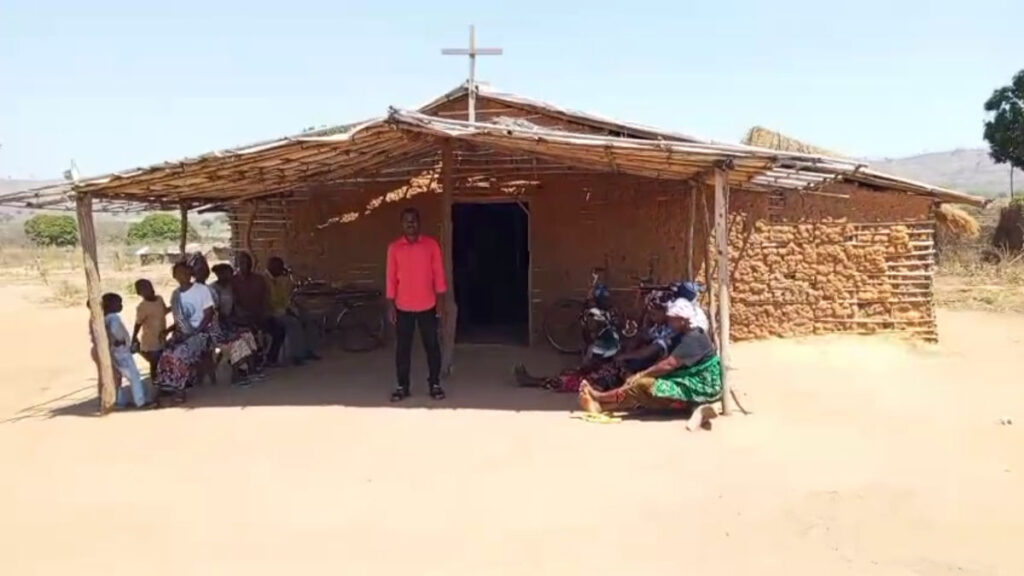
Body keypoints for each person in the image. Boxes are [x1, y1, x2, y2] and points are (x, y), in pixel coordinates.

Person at [578, 298, 721, 432]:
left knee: (643, 384)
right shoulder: (681, 334)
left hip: (703, 386)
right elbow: (664, 359)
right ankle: (601, 405)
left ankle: (599, 397)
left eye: (672, 319)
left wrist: (641, 374)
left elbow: (669, 364)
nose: (669, 322)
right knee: (640, 384)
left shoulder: (694, 338)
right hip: (690, 378)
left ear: (683, 320)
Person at [386, 207, 447, 402]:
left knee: (432, 346)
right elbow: (391, 278)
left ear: (419, 223)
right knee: (403, 349)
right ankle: (402, 386)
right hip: (403, 307)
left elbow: (438, 274)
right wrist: (390, 304)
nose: (410, 224)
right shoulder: (394, 248)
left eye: (413, 220)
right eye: (406, 220)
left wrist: (441, 301)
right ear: (401, 224)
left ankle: (435, 384)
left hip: (427, 305)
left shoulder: (431, 245)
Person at [515, 308, 626, 393]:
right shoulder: (608, 334)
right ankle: (535, 380)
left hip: (602, 378)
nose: (592, 325)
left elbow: (590, 362)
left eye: (593, 322)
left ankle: (531, 381)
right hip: (603, 370)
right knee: (567, 373)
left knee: (564, 380)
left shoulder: (606, 343)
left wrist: (583, 369)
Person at [155, 261, 216, 399]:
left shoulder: (201, 290)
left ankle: (180, 390)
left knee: (178, 355)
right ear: (174, 276)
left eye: (185, 272)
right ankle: (167, 387)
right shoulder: (175, 295)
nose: (183, 275)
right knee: (165, 355)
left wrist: (195, 332)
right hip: (182, 334)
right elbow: (179, 320)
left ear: (191, 273)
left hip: (202, 333)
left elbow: (209, 314)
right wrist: (168, 331)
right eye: (179, 273)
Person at [92, 293, 149, 409]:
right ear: (110, 305)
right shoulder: (114, 318)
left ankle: (119, 401)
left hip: (114, 351)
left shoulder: (105, 318)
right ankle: (140, 401)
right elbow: (114, 329)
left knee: (118, 376)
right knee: (134, 375)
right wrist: (120, 339)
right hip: (121, 350)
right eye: (118, 303)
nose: (121, 305)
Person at [208, 263, 262, 384]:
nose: (229, 276)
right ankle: (236, 376)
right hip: (218, 326)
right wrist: (230, 323)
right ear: (218, 274)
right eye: (225, 273)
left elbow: (235, 306)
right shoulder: (213, 289)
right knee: (237, 340)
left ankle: (250, 370)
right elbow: (216, 313)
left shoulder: (230, 287)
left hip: (229, 323)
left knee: (248, 334)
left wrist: (244, 317)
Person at [231, 252, 285, 364]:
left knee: (279, 331)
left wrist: (264, 312)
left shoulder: (259, 279)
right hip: (241, 317)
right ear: (237, 264)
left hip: (259, 314)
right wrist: (242, 314)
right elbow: (234, 302)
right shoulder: (233, 281)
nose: (245, 266)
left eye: (247, 263)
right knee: (250, 332)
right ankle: (253, 360)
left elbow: (265, 298)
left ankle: (271, 359)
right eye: (242, 263)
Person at [266, 256, 320, 366]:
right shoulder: (264, 280)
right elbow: (269, 302)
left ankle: (308, 350)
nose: (281, 271)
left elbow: (284, 297)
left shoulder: (278, 279)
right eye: (279, 268)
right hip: (272, 313)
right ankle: (297, 355)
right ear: (272, 267)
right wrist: (285, 310)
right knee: (293, 323)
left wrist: (290, 308)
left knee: (308, 319)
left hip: (283, 308)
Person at [131, 279, 168, 383]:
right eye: (144, 289)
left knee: (162, 361)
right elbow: (138, 323)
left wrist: (176, 307)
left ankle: (162, 383)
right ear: (139, 293)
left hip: (162, 337)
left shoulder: (159, 299)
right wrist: (134, 337)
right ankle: (156, 384)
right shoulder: (142, 307)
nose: (149, 290)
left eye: (149, 286)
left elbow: (164, 311)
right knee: (154, 364)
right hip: (150, 340)